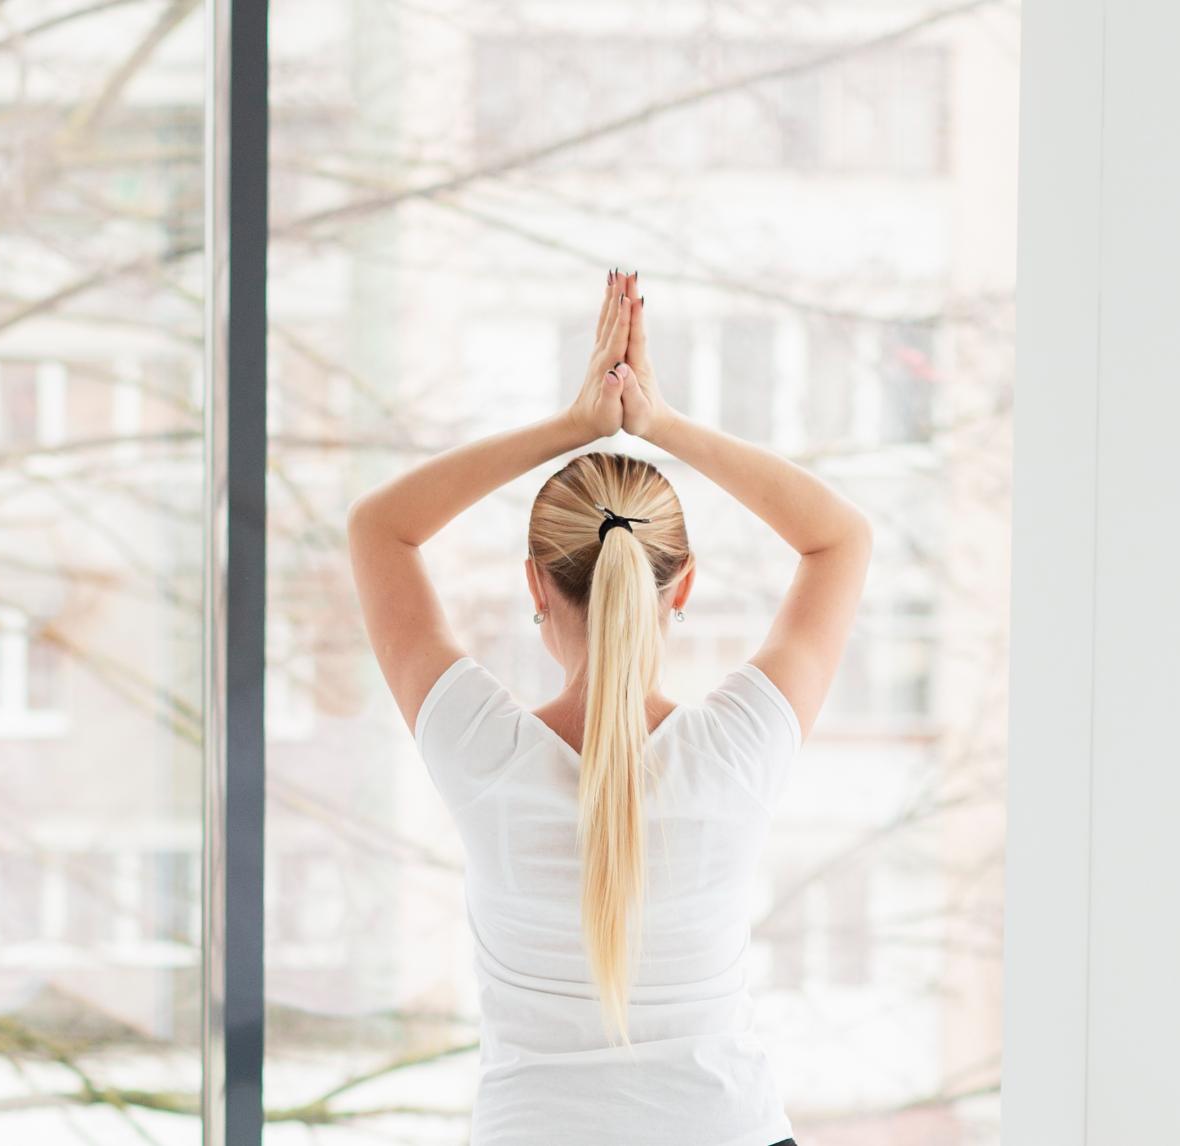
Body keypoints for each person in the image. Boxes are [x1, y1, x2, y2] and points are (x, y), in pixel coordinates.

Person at [347, 271, 871, 1145]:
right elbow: (840, 537)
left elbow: (378, 527)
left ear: (534, 588)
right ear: (684, 586)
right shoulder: (738, 750)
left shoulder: (481, 752)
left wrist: (573, 426)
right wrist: (658, 424)